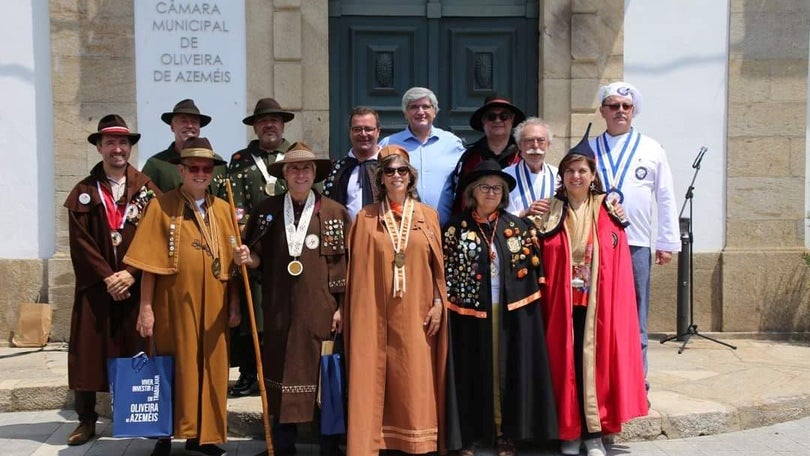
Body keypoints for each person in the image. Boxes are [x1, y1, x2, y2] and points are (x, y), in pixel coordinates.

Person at [532, 126, 648, 456]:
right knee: (565, 366)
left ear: (593, 175)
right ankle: (569, 432)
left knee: (594, 368)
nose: (575, 176)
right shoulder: (549, 211)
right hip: (560, 305)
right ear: (562, 175)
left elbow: (619, 264)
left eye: (582, 170)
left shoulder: (609, 211)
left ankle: (594, 433)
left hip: (598, 306)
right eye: (569, 170)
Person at [124, 137, 241, 456]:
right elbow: (149, 263)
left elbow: (231, 264)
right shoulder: (161, 207)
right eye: (194, 168)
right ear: (181, 170)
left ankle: (201, 437)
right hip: (173, 305)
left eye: (206, 168)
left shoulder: (223, 208)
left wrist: (234, 304)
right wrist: (145, 308)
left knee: (210, 368)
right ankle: (164, 435)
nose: (200, 173)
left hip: (215, 306)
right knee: (172, 366)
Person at [234, 142, 350, 456]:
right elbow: (256, 258)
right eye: (294, 168)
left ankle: (329, 447)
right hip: (279, 311)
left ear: (315, 174)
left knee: (324, 378)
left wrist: (341, 307)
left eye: (306, 168)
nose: (301, 174)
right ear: (285, 174)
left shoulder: (335, 212)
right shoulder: (267, 211)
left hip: (322, 312)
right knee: (280, 371)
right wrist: (248, 257)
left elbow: (344, 265)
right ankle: (283, 446)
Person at [443, 160, 558, 456]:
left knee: (506, 373)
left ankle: (505, 433)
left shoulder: (517, 227)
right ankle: (469, 435)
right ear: (472, 192)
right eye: (485, 187)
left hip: (510, 314)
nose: (491, 192)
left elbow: (532, 272)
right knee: (469, 373)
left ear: (504, 194)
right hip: (467, 314)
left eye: (497, 188)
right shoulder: (455, 228)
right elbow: (444, 271)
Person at [344, 145, 449, 455]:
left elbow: (438, 268)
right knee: (374, 370)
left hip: (417, 310)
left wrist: (439, 303)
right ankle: (375, 441)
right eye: (389, 171)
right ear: (381, 178)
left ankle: (417, 440)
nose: (396, 176)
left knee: (413, 373)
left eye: (402, 170)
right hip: (376, 311)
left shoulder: (428, 216)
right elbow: (357, 274)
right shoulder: (365, 218)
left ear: (411, 176)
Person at [63, 114, 159, 446]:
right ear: (100, 148)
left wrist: (131, 274)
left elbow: (157, 236)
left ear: (130, 147)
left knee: (136, 350)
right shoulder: (84, 192)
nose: (117, 149)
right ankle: (86, 420)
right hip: (97, 289)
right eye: (110, 143)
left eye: (123, 143)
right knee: (87, 352)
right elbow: (80, 243)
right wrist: (108, 278)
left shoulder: (147, 190)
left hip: (136, 286)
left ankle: (138, 415)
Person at [589, 82, 680, 390]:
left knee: (636, 312)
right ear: (602, 111)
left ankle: (637, 380)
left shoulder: (651, 148)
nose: (620, 112)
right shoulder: (589, 148)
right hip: (597, 243)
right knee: (599, 312)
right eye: (613, 106)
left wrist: (666, 242)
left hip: (637, 243)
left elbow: (665, 196)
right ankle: (603, 379)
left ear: (633, 111)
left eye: (626, 107)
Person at [223, 97, 295, 398]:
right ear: (255, 127)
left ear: (282, 125)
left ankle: (276, 371)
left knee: (283, 314)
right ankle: (248, 373)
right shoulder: (240, 160)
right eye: (263, 121)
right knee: (249, 312)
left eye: (275, 120)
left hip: (288, 250)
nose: (270, 125)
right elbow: (233, 206)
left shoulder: (294, 156)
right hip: (251, 249)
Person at [378, 87, 465, 225]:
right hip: (402, 230)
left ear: (434, 112)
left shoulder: (452, 143)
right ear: (405, 113)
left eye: (426, 106)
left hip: (446, 229)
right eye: (414, 107)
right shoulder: (389, 144)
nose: (420, 112)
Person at [451, 94, 526, 213]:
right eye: (491, 116)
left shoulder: (524, 156)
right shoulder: (470, 157)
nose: (497, 120)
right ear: (483, 121)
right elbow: (461, 199)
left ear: (512, 120)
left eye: (504, 116)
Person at [141, 99, 227, 193]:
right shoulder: (156, 165)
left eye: (194, 122)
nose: (190, 126)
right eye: (184, 121)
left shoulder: (217, 164)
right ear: (172, 127)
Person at [322, 106, 382, 219]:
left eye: (368, 129)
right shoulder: (338, 170)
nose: (363, 134)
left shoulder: (391, 168)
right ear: (350, 132)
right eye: (357, 129)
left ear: (378, 131)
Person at [504, 117, 559, 217]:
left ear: (548, 145)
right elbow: (496, 215)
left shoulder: (559, 176)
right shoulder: (505, 176)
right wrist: (524, 213)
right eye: (529, 140)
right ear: (519, 145)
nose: (535, 146)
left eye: (541, 140)